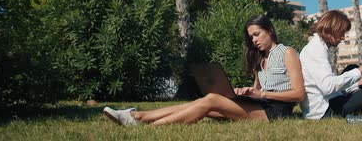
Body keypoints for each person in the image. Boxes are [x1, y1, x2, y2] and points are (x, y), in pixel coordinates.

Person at [103, 14, 305, 126]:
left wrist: (262, 93)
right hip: (259, 105)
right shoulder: (261, 59)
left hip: (276, 112)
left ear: (269, 30)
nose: (254, 40)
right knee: (203, 102)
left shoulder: (288, 53)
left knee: (211, 99)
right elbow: (258, 89)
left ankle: (143, 124)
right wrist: (246, 91)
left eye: (257, 34)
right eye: (251, 37)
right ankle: (137, 116)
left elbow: (298, 93)